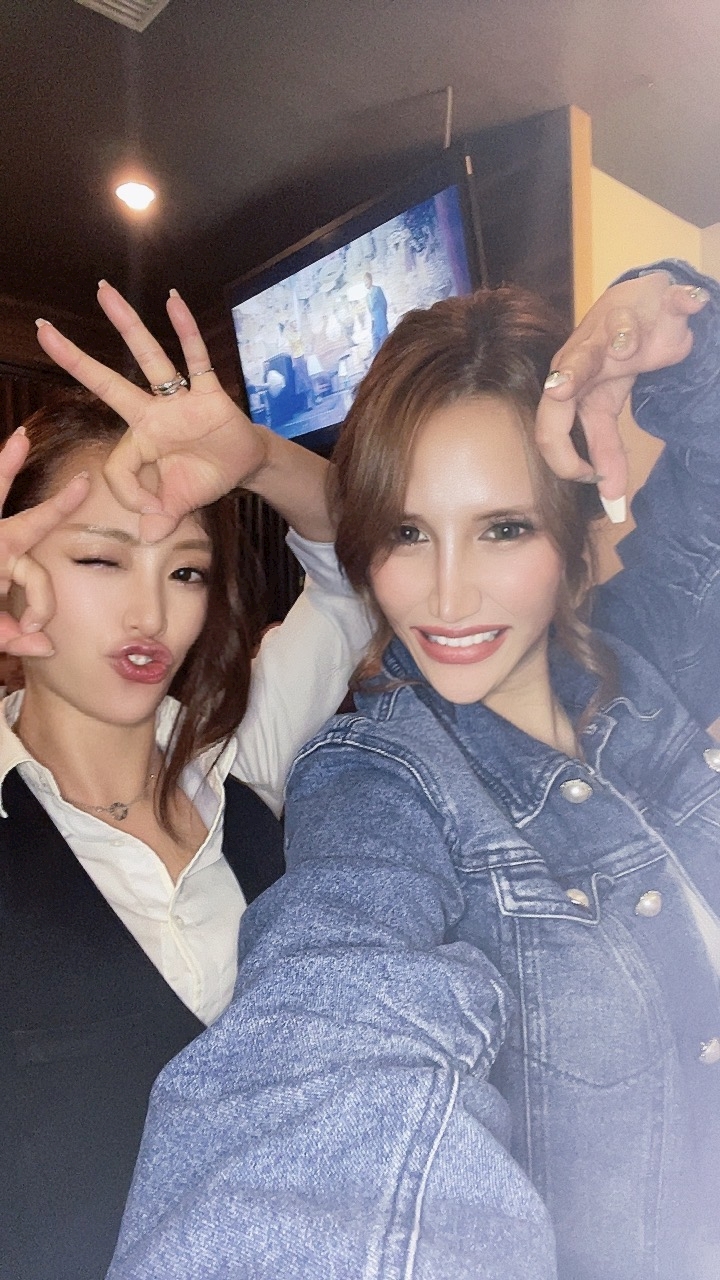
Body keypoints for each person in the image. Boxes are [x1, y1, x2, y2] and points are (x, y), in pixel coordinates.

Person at [103, 262, 719, 1280]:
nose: (445, 596)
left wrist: (680, 325)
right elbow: (332, 1025)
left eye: (504, 528)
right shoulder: (376, 778)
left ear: (572, 531)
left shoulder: (641, 653)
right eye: (405, 533)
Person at [0, 281, 374, 1280]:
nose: (150, 614)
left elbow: (361, 563)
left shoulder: (239, 753)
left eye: (186, 570)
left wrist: (260, 456)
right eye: (100, 558)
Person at [365, 270, 389, 353]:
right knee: (375, 344)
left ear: (370, 280)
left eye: (366, 280)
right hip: (374, 322)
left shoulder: (377, 290)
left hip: (381, 319)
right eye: (364, 281)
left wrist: (383, 317)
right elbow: (370, 310)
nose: (365, 283)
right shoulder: (367, 296)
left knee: (385, 343)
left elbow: (384, 303)